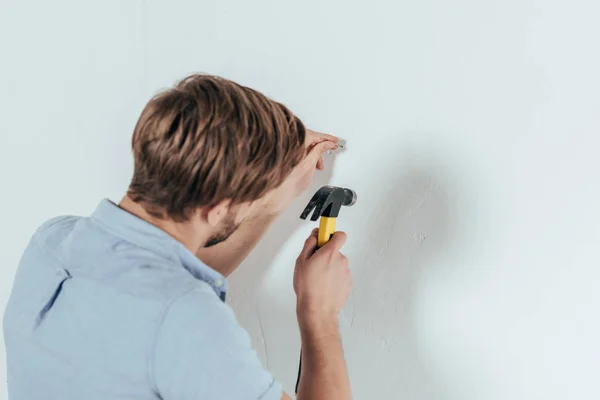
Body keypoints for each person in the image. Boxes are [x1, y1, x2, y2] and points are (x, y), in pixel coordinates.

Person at [3, 74, 352, 400]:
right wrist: (317, 311)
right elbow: (177, 309)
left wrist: (274, 199)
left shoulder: (52, 242)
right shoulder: (186, 317)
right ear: (217, 209)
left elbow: (166, 274)